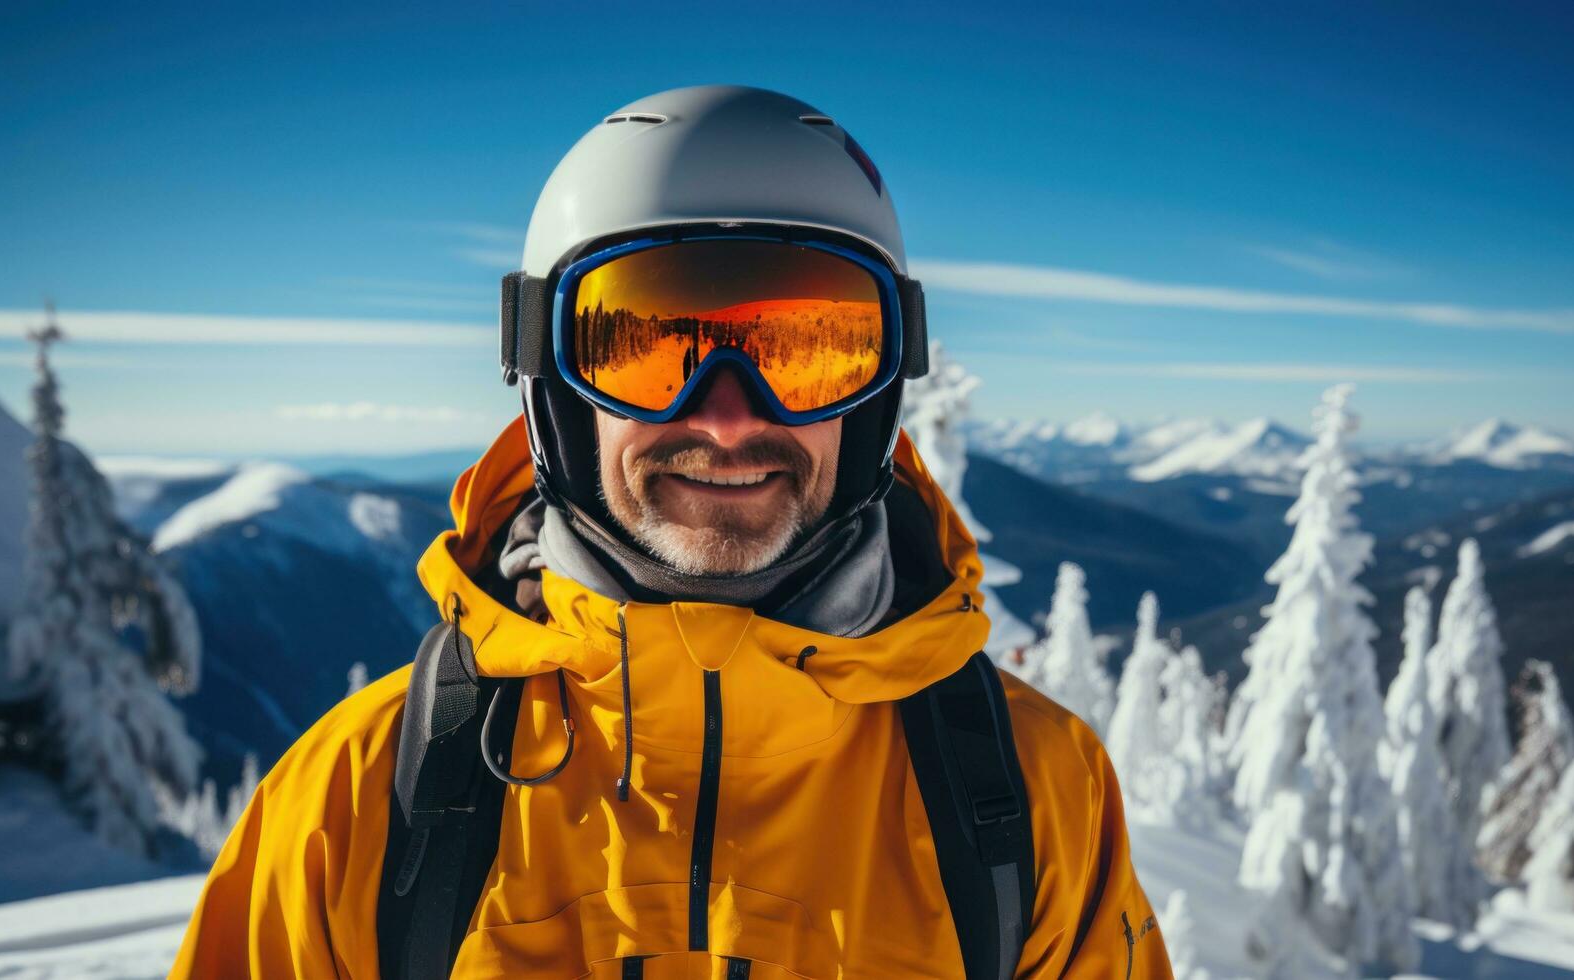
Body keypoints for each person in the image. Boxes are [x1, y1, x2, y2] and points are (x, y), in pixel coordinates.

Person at [170, 84, 1170, 979]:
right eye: (646, 345)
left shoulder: (1032, 793)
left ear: (876, 397)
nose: (729, 417)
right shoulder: (358, 795)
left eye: (808, 348)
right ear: (553, 382)